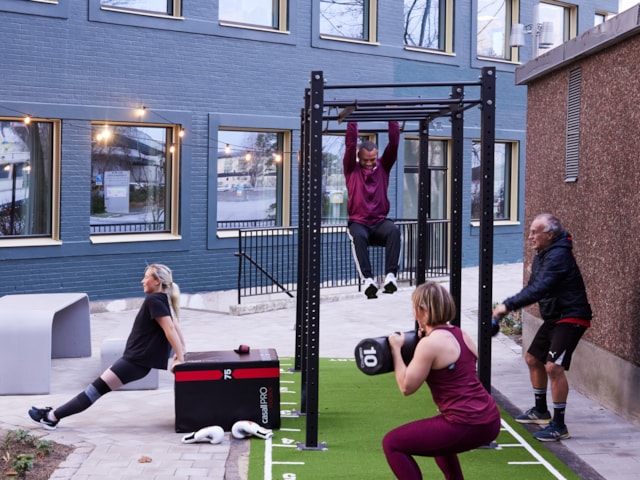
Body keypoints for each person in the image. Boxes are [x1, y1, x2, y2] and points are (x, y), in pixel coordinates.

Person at [28, 263, 187, 430]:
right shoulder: (162, 299)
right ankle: (53, 415)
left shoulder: (154, 300)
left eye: (146, 277)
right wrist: (181, 351)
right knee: (95, 390)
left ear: (157, 281)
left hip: (134, 362)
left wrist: (180, 358)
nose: (142, 281)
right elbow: (175, 326)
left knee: (93, 391)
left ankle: (51, 418)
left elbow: (170, 328)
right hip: (136, 362)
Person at [383, 281, 501, 479]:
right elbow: (459, 366)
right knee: (440, 442)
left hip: (466, 424)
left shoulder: (430, 345)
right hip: (490, 420)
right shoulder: (460, 334)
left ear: (423, 310)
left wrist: (396, 348)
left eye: (415, 309)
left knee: (392, 444)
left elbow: (406, 386)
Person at [492, 213, 592, 442]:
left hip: (571, 316)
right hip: (555, 316)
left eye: (535, 232)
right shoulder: (543, 255)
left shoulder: (559, 257)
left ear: (550, 234)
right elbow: (533, 287)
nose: (530, 236)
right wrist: (510, 306)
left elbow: (540, 289)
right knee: (532, 358)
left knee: (553, 367)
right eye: (529, 231)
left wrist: (506, 306)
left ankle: (559, 425)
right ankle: (541, 411)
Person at [343, 121, 401, 299]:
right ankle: (368, 280)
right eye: (365, 160)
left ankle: (390, 276)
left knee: (394, 231)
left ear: (377, 157)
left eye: (372, 159)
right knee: (358, 236)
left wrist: (392, 119)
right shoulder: (351, 169)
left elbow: (394, 144)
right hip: (359, 222)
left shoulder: (384, 167)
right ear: (359, 158)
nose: (369, 163)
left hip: (379, 222)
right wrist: (352, 119)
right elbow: (351, 145)